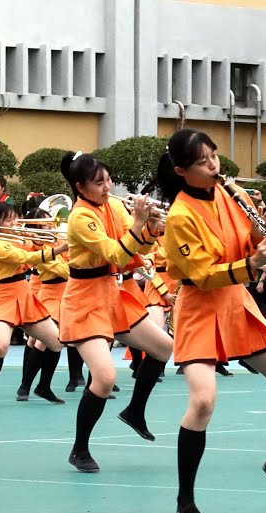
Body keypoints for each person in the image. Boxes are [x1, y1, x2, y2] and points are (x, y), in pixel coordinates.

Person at [158, 128, 266, 513]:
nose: (214, 165)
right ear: (181, 171)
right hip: (199, 306)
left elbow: (246, 239)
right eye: (203, 161)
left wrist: (264, 234)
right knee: (203, 402)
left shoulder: (228, 194)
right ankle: (185, 500)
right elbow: (203, 275)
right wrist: (254, 262)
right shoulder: (179, 217)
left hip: (236, 304)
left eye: (214, 156)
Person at [57, 151, 173, 473]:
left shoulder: (113, 205)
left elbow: (141, 248)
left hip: (112, 293)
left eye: (108, 180)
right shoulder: (79, 217)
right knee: (105, 378)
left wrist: (151, 228)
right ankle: (79, 448)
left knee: (164, 347)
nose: (107, 187)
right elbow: (116, 253)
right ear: (80, 187)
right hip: (84, 299)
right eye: (99, 183)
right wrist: (139, 224)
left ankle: (135, 411)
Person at [0, 202, 67, 406]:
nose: (15, 223)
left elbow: (32, 247)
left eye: (15, 218)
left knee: (55, 341)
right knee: (0, 347)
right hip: (1, 296)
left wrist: (40, 239)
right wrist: (59, 248)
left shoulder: (18, 237)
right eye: (8, 219)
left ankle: (43, 386)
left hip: (23, 294)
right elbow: (27, 257)